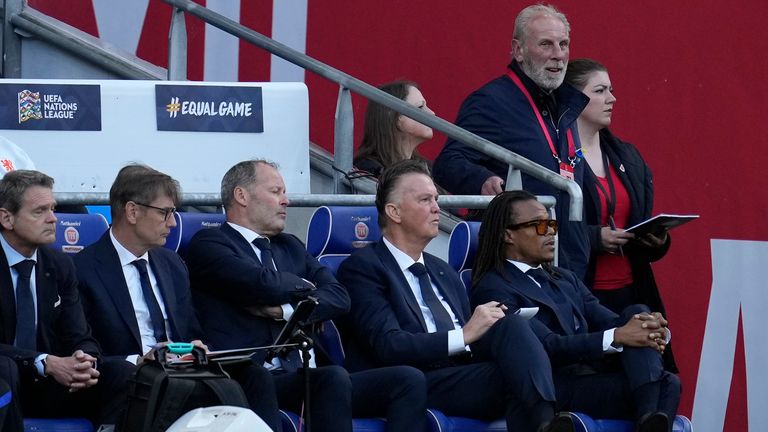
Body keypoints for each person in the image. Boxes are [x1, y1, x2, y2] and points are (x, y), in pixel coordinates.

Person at [185, 159, 427, 432]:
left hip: (299, 373)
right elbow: (263, 283)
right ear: (241, 196)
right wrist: (306, 287)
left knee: (405, 380)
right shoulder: (210, 244)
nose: (286, 201)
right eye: (276, 192)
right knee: (327, 379)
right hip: (246, 375)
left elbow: (339, 296)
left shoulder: (290, 245)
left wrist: (285, 311)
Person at [337, 160, 576, 432]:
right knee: (521, 378)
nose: (437, 208)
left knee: (513, 327)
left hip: (458, 372)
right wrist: (464, 335)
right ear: (394, 212)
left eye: (436, 199)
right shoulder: (363, 268)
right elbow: (389, 346)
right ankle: (545, 424)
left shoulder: (443, 270)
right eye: (425, 200)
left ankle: (545, 423)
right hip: (411, 379)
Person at [72, 164, 283, 430]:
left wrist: (197, 346)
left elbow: (189, 330)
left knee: (255, 375)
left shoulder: (172, 264)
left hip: (179, 368)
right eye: (165, 213)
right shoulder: (84, 268)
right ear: (132, 211)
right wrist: (138, 360)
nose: (173, 223)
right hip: (130, 373)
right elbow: (83, 347)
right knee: (142, 378)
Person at [471, 190, 680, 432]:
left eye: (551, 224)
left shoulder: (564, 278)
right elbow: (547, 346)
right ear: (508, 235)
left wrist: (648, 329)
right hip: (551, 386)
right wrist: (616, 336)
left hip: (588, 378)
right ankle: (648, 417)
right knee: (664, 386)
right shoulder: (494, 287)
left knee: (640, 317)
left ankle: (648, 417)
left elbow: (610, 320)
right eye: (539, 225)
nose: (550, 231)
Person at [432, 4, 590, 279]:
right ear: (518, 50)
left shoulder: (563, 105)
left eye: (563, 44)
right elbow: (449, 162)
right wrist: (481, 179)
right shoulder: (491, 102)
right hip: (518, 264)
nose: (558, 55)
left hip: (566, 264)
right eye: (546, 44)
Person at [0, 170, 132, 431]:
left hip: (49, 387)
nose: (53, 219)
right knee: (4, 369)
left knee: (122, 373)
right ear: (7, 218)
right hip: (7, 378)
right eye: (40, 211)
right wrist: (45, 362)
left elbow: (79, 334)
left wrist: (85, 360)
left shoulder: (59, 264)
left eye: (53, 209)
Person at [563, 59, 673, 316]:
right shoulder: (555, 157)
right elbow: (544, 224)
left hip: (632, 290)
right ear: (573, 99)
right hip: (581, 292)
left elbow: (637, 223)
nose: (611, 99)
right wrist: (593, 239)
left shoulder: (628, 157)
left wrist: (657, 240)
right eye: (599, 91)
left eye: (610, 90)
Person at [354, 80, 435, 178]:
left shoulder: (428, 169)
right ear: (394, 117)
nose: (432, 113)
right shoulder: (368, 169)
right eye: (420, 107)